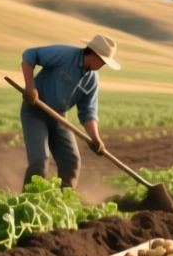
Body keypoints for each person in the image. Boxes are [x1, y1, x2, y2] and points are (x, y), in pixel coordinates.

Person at [18, 34, 120, 189]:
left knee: (71, 161)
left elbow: (88, 111)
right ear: (93, 54)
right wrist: (30, 86)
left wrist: (95, 138)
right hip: (35, 112)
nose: (103, 65)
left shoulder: (92, 79)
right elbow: (29, 55)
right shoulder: (64, 54)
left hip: (59, 119)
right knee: (40, 160)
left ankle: (62, 203)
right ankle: (28, 202)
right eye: (103, 61)